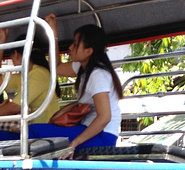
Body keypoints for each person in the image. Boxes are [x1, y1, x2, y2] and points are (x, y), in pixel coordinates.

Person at [28, 15, 123, 152]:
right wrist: (53, 32)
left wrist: (74, 143)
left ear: (88, 51)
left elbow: (104, 117)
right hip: (89, 130)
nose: (70, 47)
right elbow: (56, 67)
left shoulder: (98, 75)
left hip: (102, 136)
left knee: (34, 132)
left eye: (75, 44)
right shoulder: (83, 68)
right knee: (35, 132)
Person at [0, 28, 61, 141]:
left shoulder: (39, 74)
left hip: (41, 132)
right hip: (30, 131)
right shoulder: (25, 75)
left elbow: (15, 106)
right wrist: (0, 45)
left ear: (17, 54)